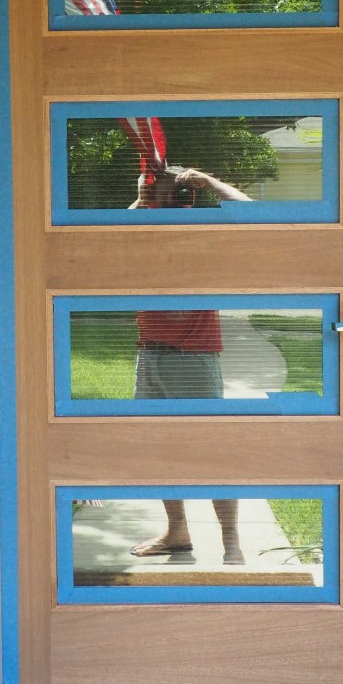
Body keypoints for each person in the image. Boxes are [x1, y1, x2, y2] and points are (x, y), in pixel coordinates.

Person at [128, 164, 251, 565]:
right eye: (166, 191)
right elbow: (102, 239)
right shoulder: (144, 226)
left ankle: (232, 543)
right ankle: (177, 530)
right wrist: (142, 197)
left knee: (212, 451)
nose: (177, 198)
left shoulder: (205, 229)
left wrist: (211, 180)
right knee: (156, 450)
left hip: (194, 357)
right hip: (150, 354)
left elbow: (255, 213)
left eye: (182, 191)